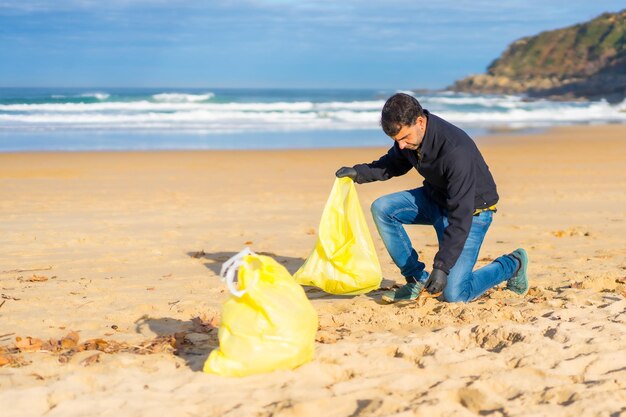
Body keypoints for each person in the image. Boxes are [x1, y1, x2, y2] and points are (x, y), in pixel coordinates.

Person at [336, 93, 528, 303]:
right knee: (382, 208)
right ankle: (416, 280)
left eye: (404, 138)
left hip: (472, 212)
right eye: (396, 140)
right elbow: (394, 163)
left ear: (419, 122)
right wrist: (358, 173)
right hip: (436, 198)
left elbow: (460, 217)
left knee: (454, 295)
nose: (400, 145)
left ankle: (512, 263)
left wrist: (441, 268)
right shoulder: (411, 139)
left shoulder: (455, 152)